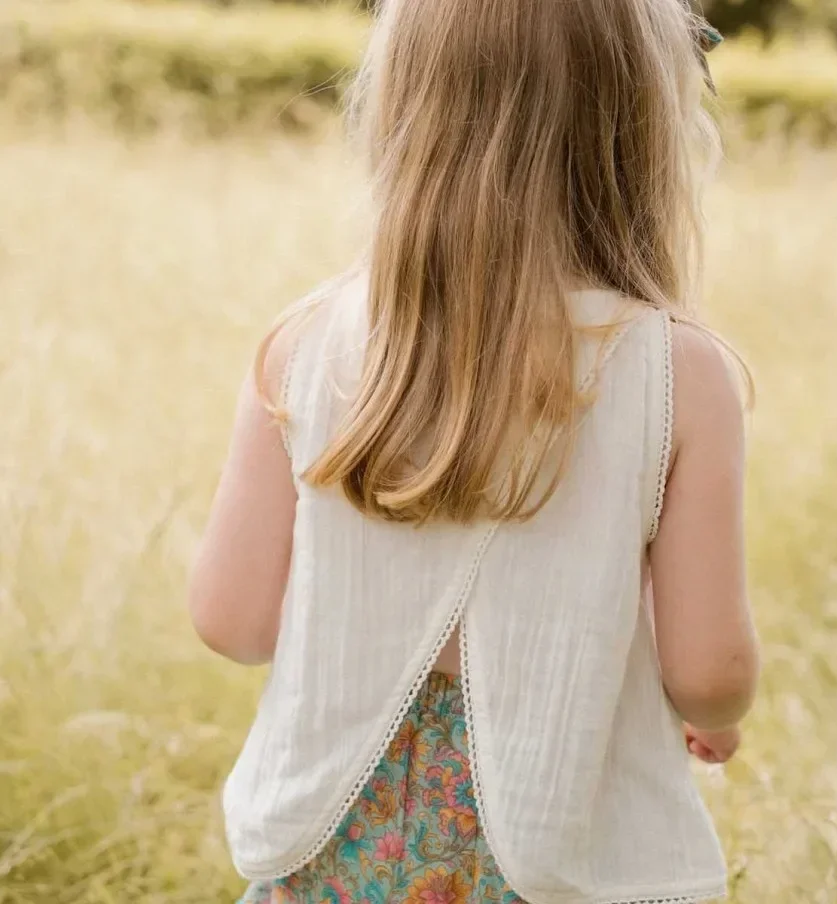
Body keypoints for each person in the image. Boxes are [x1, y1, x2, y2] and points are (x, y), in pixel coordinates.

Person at [189, 0, 760, 902]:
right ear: (642, 128)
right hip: (561, 847)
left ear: (404, 109)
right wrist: (711, 712)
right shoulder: (680, 373)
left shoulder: (303, 346)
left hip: (336, 853)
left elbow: (231, 619)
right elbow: (709, 672)